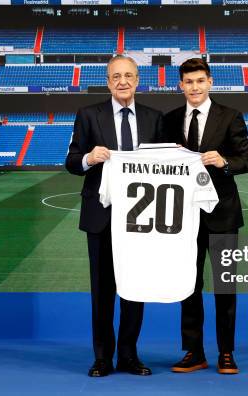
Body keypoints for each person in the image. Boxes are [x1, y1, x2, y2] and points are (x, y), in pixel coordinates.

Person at [65, 55, 164, 377]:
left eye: (128, 76)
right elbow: (71, 160)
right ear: (108, 82)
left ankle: (129, 355)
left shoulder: (154, 118)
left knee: (135, 289)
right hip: (102, 215)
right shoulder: (88, 115)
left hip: (141, 218)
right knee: (103, 290)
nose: (122, 82)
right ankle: (102, 357)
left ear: (138, 80)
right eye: (116, 76)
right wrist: (88, 158)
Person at [163, 58, 248, 375]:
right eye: (188, 82)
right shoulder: (171, 119)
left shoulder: (230, 116)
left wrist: (224, 161)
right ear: (180, 85)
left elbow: (247, 160)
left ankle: (226, 352)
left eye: (200, 80)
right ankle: (194, 351)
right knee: (188, 286)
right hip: (184, 217)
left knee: (225, 287)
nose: (195, 87)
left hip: (223, 217)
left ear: (210, 82)